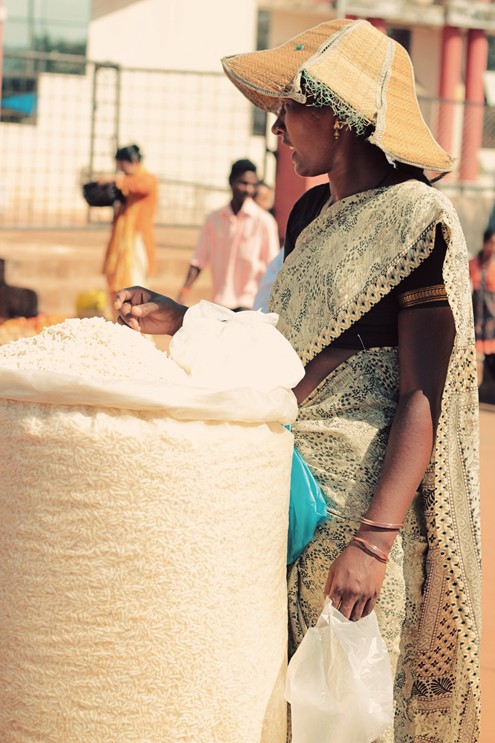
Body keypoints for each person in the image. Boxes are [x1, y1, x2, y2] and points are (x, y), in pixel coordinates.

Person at [113, 19, 481, 742]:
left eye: (290, 109)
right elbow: (287, 350)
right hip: (283, 499)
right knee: (281, 702)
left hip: (356, 513)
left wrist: (373, 542)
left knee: (347, 713)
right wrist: (185, 317)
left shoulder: (417, 221)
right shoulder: (310, 213)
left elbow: (420, 392)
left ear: (339, 117)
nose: (277, 128)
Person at [177, 159, 280, 311]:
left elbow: (273, 267)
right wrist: (184, 291)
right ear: (231, 182)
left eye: (253, 185)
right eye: (243, 183)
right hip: (220, 304)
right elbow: (199, 260)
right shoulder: (213, 219)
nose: (248, 189)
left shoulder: (264, 222)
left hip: (251, 305)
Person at [101, 144, 158, 308]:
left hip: (137, 242)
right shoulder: (126, 182)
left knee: (135, 283)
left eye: (123, 167)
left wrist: (115, 181)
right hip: (122, 243)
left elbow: (140, 186)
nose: (122, 172)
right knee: (119, 288)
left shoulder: (147, 179)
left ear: (133, 161)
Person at [470, 227, 495, 383]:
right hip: (475, 321)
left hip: (492, 324)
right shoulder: (472, 264)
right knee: (473, 362)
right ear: (484, 243)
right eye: (491, 243)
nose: (493, 248)